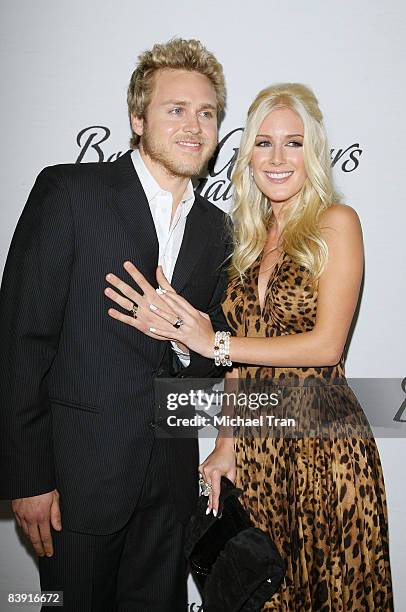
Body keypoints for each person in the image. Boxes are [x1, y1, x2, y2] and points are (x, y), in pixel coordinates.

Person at [105, 83, 393, 610]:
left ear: (315, 152)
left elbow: (326, 346)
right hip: (261, 450)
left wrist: (211, 340)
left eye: (294, 143)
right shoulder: (245, 240)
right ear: (247, 156)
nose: (278, 157)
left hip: (322, 447)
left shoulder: (336, 223)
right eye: (263, 143)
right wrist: (226, 443)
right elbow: (241, 357)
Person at [0, 38, 230, 611]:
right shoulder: (72, 193)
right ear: (137, 118)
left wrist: (182, 340)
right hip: (76, 482)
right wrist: (27, 478)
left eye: (206, 113)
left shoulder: (217, 229)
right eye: (175, 109)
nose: (193, 126)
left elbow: (209, 363)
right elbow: (20, 342)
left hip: (170, 485)